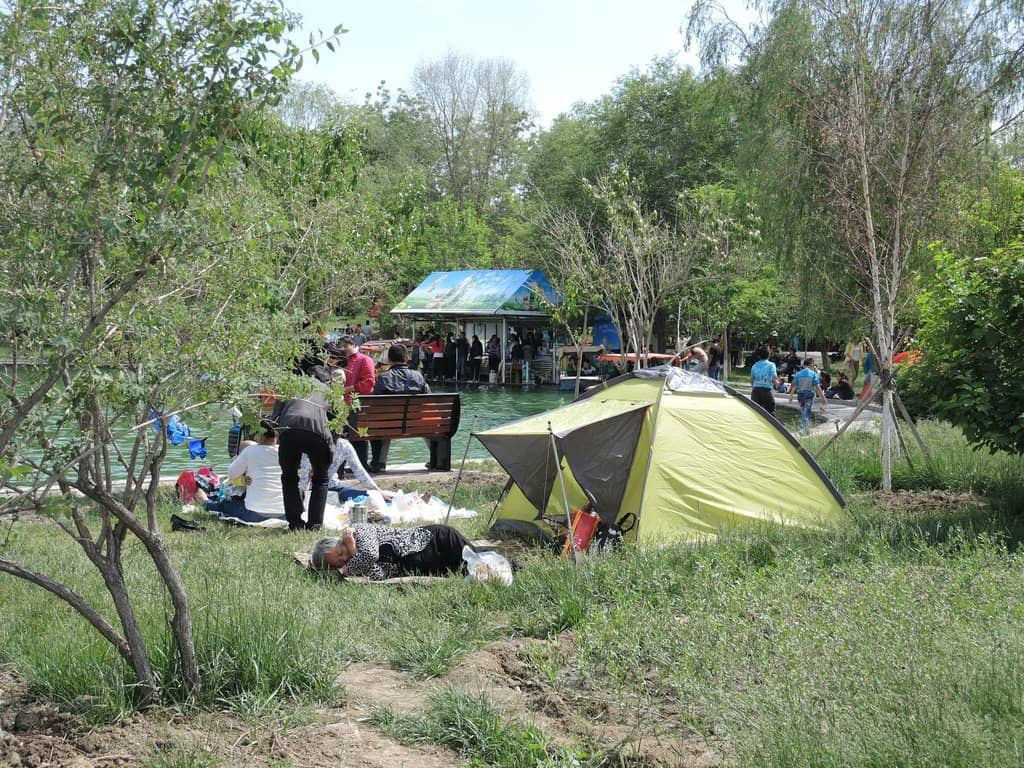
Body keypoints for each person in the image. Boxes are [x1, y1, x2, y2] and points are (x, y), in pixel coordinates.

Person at [272, 365, 334, 531]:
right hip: (318, 434)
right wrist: (327, 458)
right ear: (326, 381)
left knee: (289, 477)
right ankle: (315, 524)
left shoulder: (289, 385)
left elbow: (274, 418)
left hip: (289, 430)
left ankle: (295, 523)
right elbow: (334, 424)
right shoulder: (328, 391)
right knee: (321, 478)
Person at [310, 523, 474, 580]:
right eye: (340, 562)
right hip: (432, 566)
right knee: (472, 573)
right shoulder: (356, 567)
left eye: (341, 552)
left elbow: (370, 554)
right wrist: (352, 563)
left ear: (342, 540)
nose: (345, 558)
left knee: (478, 560)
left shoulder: (359, 531)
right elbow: (379, 575)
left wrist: (353, 550)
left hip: (436, 542)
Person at [368, 344, 430, 472]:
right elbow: (429, 399)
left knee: (379, 423)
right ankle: (436, 459)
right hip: (417, 423)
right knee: (429, 421)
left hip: (389, 425)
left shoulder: (383, 378)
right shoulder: (418, 376)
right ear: (406, 358)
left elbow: (373, 404)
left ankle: (379, 463)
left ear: (389, 359)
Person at [339, 335, 376, 474]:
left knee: (350, 431)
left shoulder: (364, 359)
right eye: (341, 347)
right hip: (344, 405)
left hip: (357, 406)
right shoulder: (342, 361)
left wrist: (349, 389)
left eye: (345, 346)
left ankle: (355, 465)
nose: (343, 349)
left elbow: (369, 384)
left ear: (354, 345)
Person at [788, 358, 827, 435]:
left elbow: (794, 386)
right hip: (809, 395)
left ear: (803, 365)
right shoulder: (813, 374)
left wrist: (791, 396)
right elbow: (818, 387)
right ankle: (802, 428)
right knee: (807, 412)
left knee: (803, 411)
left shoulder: (798, 374)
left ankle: (806, 429)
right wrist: (823, 398)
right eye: (813, 365)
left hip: (800, 395)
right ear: (811, 365)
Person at [749, 346, 781, 414]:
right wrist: (777, 384)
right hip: (766, 391)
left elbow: (752, 380)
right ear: (769, 354)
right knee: (770, 412)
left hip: (755, 392)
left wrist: (754, 387)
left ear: (758, 356)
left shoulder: (754, 366)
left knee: (755, 413)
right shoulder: (771, 365)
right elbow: (774, 377)